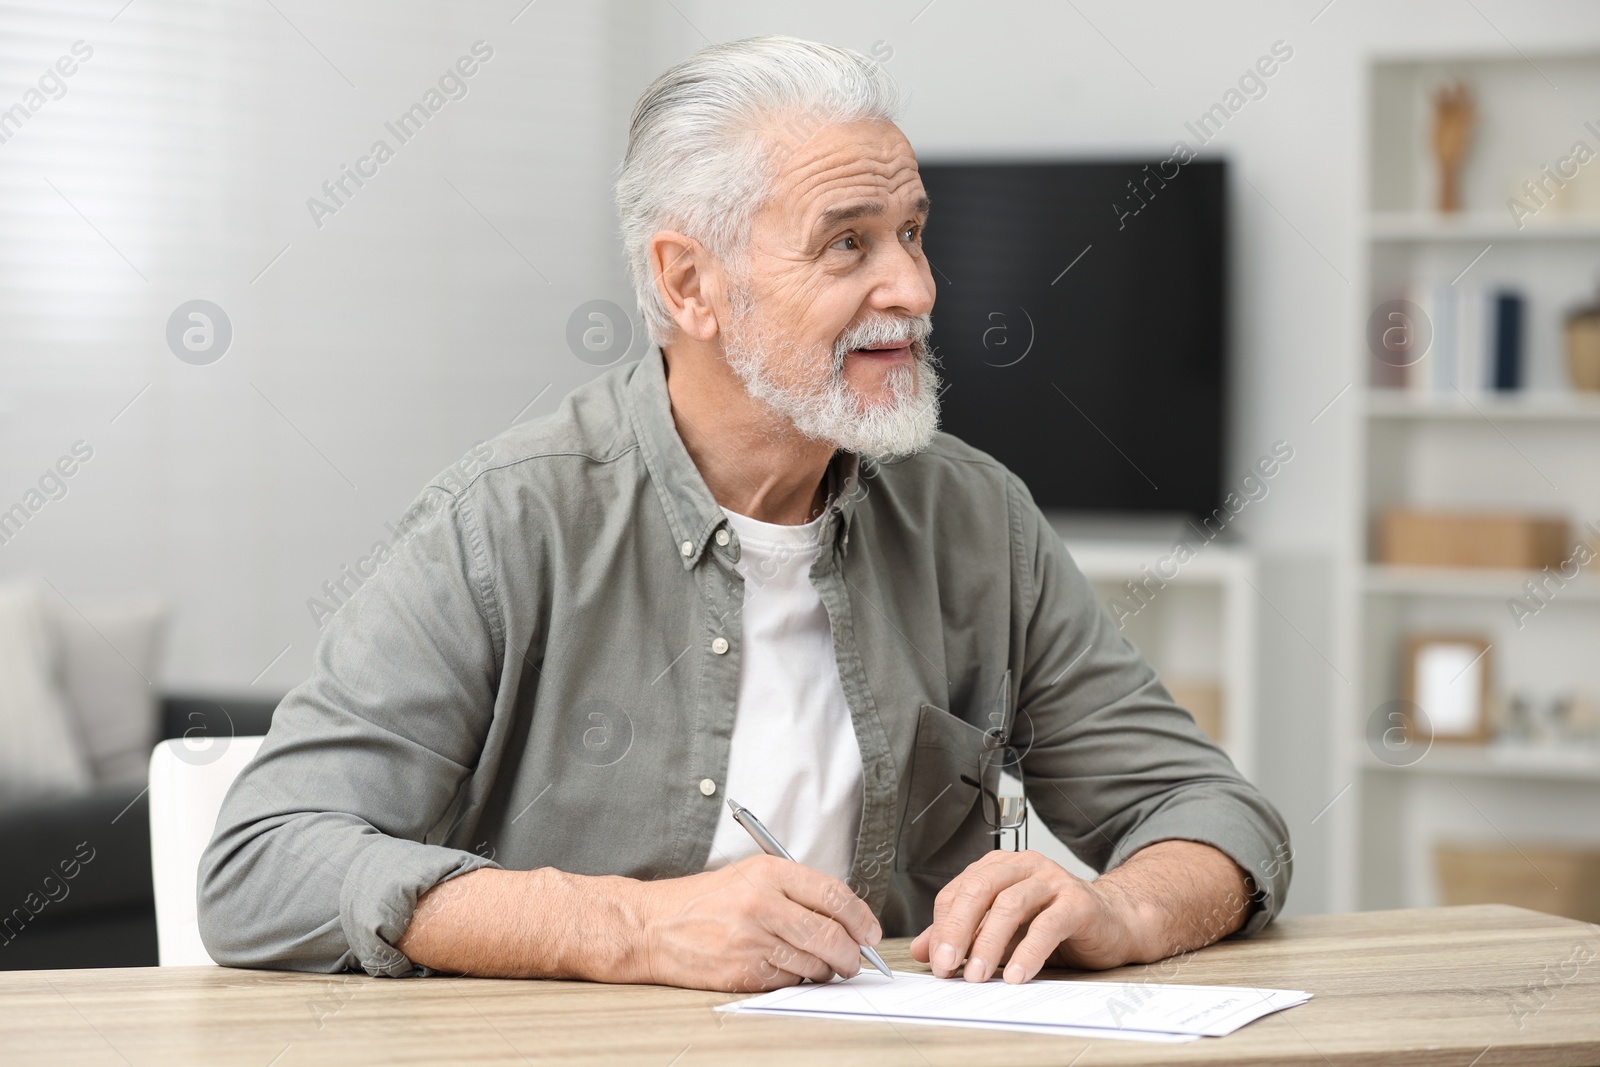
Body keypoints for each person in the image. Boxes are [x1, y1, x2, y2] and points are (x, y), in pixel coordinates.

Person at [198, 34, 1290, 993]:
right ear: (689, 284)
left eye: (912, 232)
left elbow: (1214, 814)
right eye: (848, 242)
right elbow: (261, 864)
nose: (915, 289)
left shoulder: (977, 520)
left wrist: (1124, 908)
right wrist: (626, 926)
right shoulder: (504, 523)